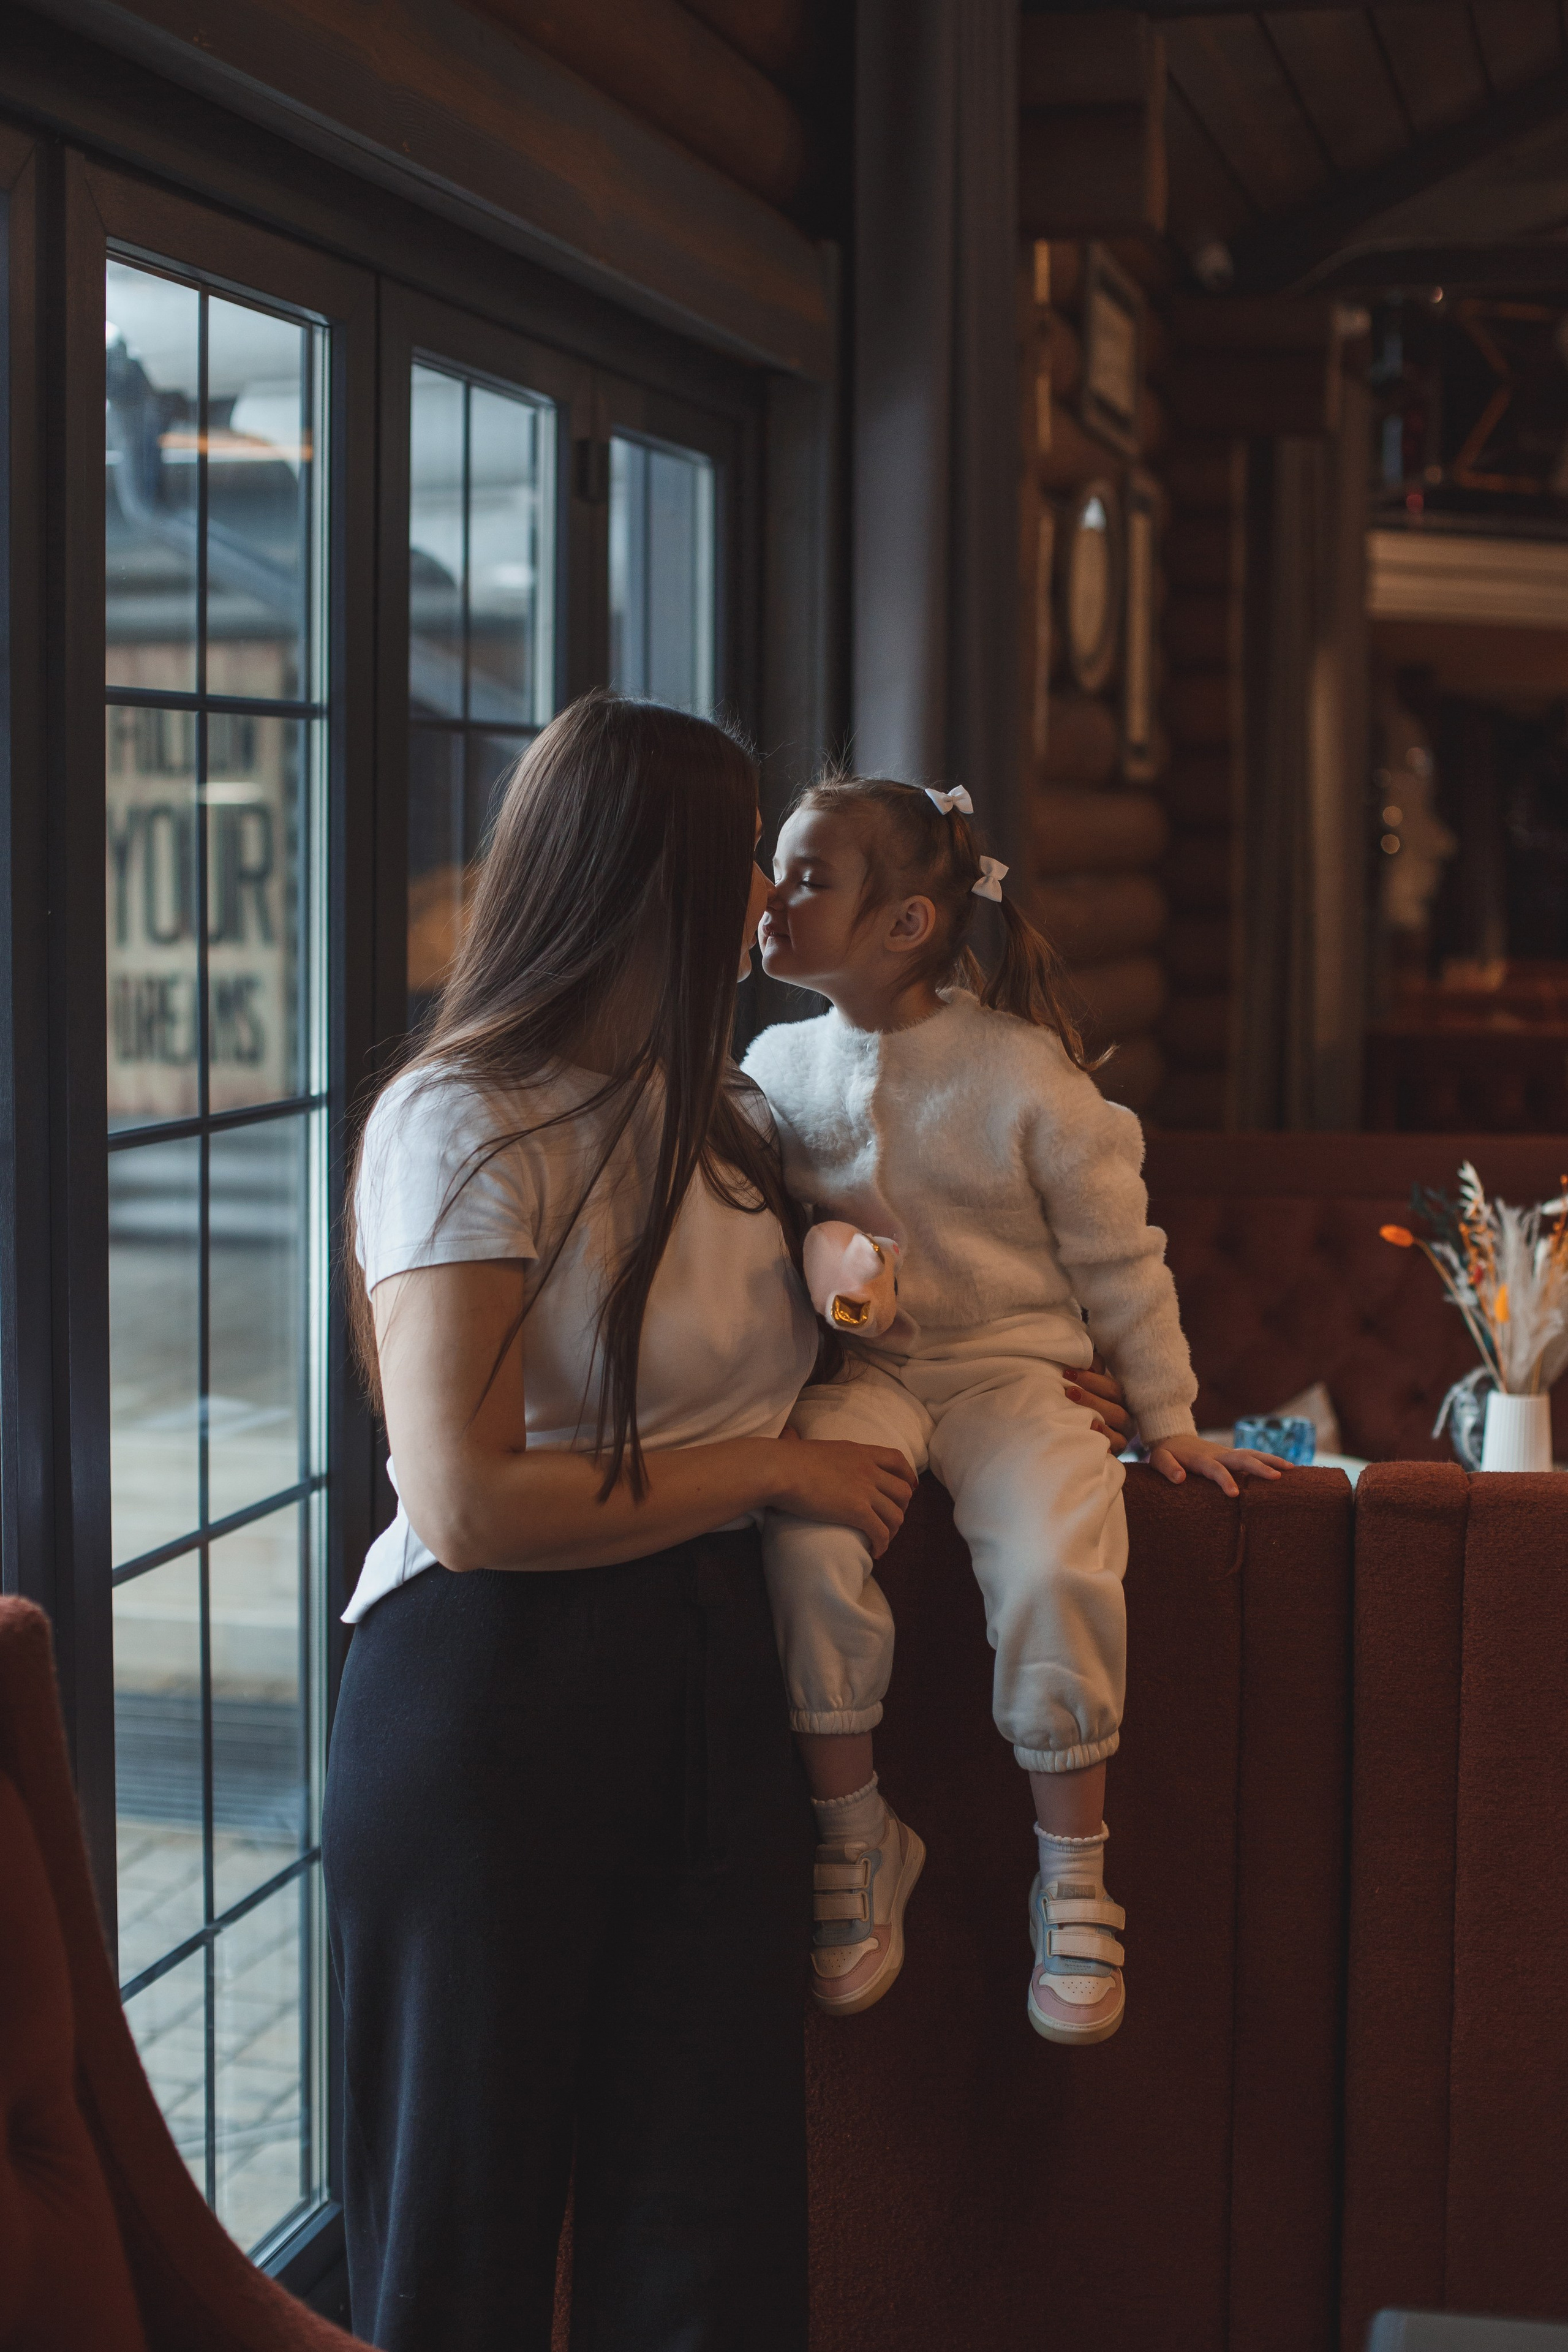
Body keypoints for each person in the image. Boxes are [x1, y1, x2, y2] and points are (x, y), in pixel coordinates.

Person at [323, 697, 916, 2352]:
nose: (767, 900)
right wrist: (771, 1478)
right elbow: (469, 1497)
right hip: (488, 1695)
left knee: (711, 2258)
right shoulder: (463, 1117)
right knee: (462, 2256)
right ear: (652, 877)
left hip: (709, 1693)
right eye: (746, 861)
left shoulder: (719, 1118)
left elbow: (827, 1333)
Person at [742, 773, 1288, 2048]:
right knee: (802, 1542)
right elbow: (757, 1238)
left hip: (1014, 1377)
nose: (771, 899)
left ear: (906, 924)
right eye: (777, 869)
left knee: (1055, 1558)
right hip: (859, 1383)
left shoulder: (1023, 1079)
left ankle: (1073, 1871)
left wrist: (1164, 1419)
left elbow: (1119, 1259)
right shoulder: (770, 1067)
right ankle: (857, 1836)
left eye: (809, 876)